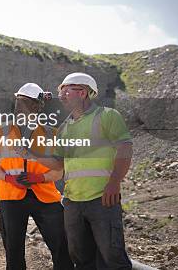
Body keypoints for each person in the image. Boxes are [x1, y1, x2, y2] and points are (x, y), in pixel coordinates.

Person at [32, 73, 133, 270]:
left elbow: (125, 148)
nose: (61, 95)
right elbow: (58, 163)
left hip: (102, 199)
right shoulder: (64, 128)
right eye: (60, 91)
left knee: (112, 258)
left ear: (83, 92)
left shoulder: (107, 116)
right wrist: (32, 155)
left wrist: (114, 182)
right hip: (73, 203)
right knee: (81, 259)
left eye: (66, 90)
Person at [0, 83, 73, 270]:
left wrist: (38, 178)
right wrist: (9, 178)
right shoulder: (2, 132)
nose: (21, 107)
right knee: (14, 252)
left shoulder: (52, 134)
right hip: (11, 196)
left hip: (46, 197)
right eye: (19, 103)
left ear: (38, 106)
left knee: (62, 248)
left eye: (27, 103)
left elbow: (59, 170)